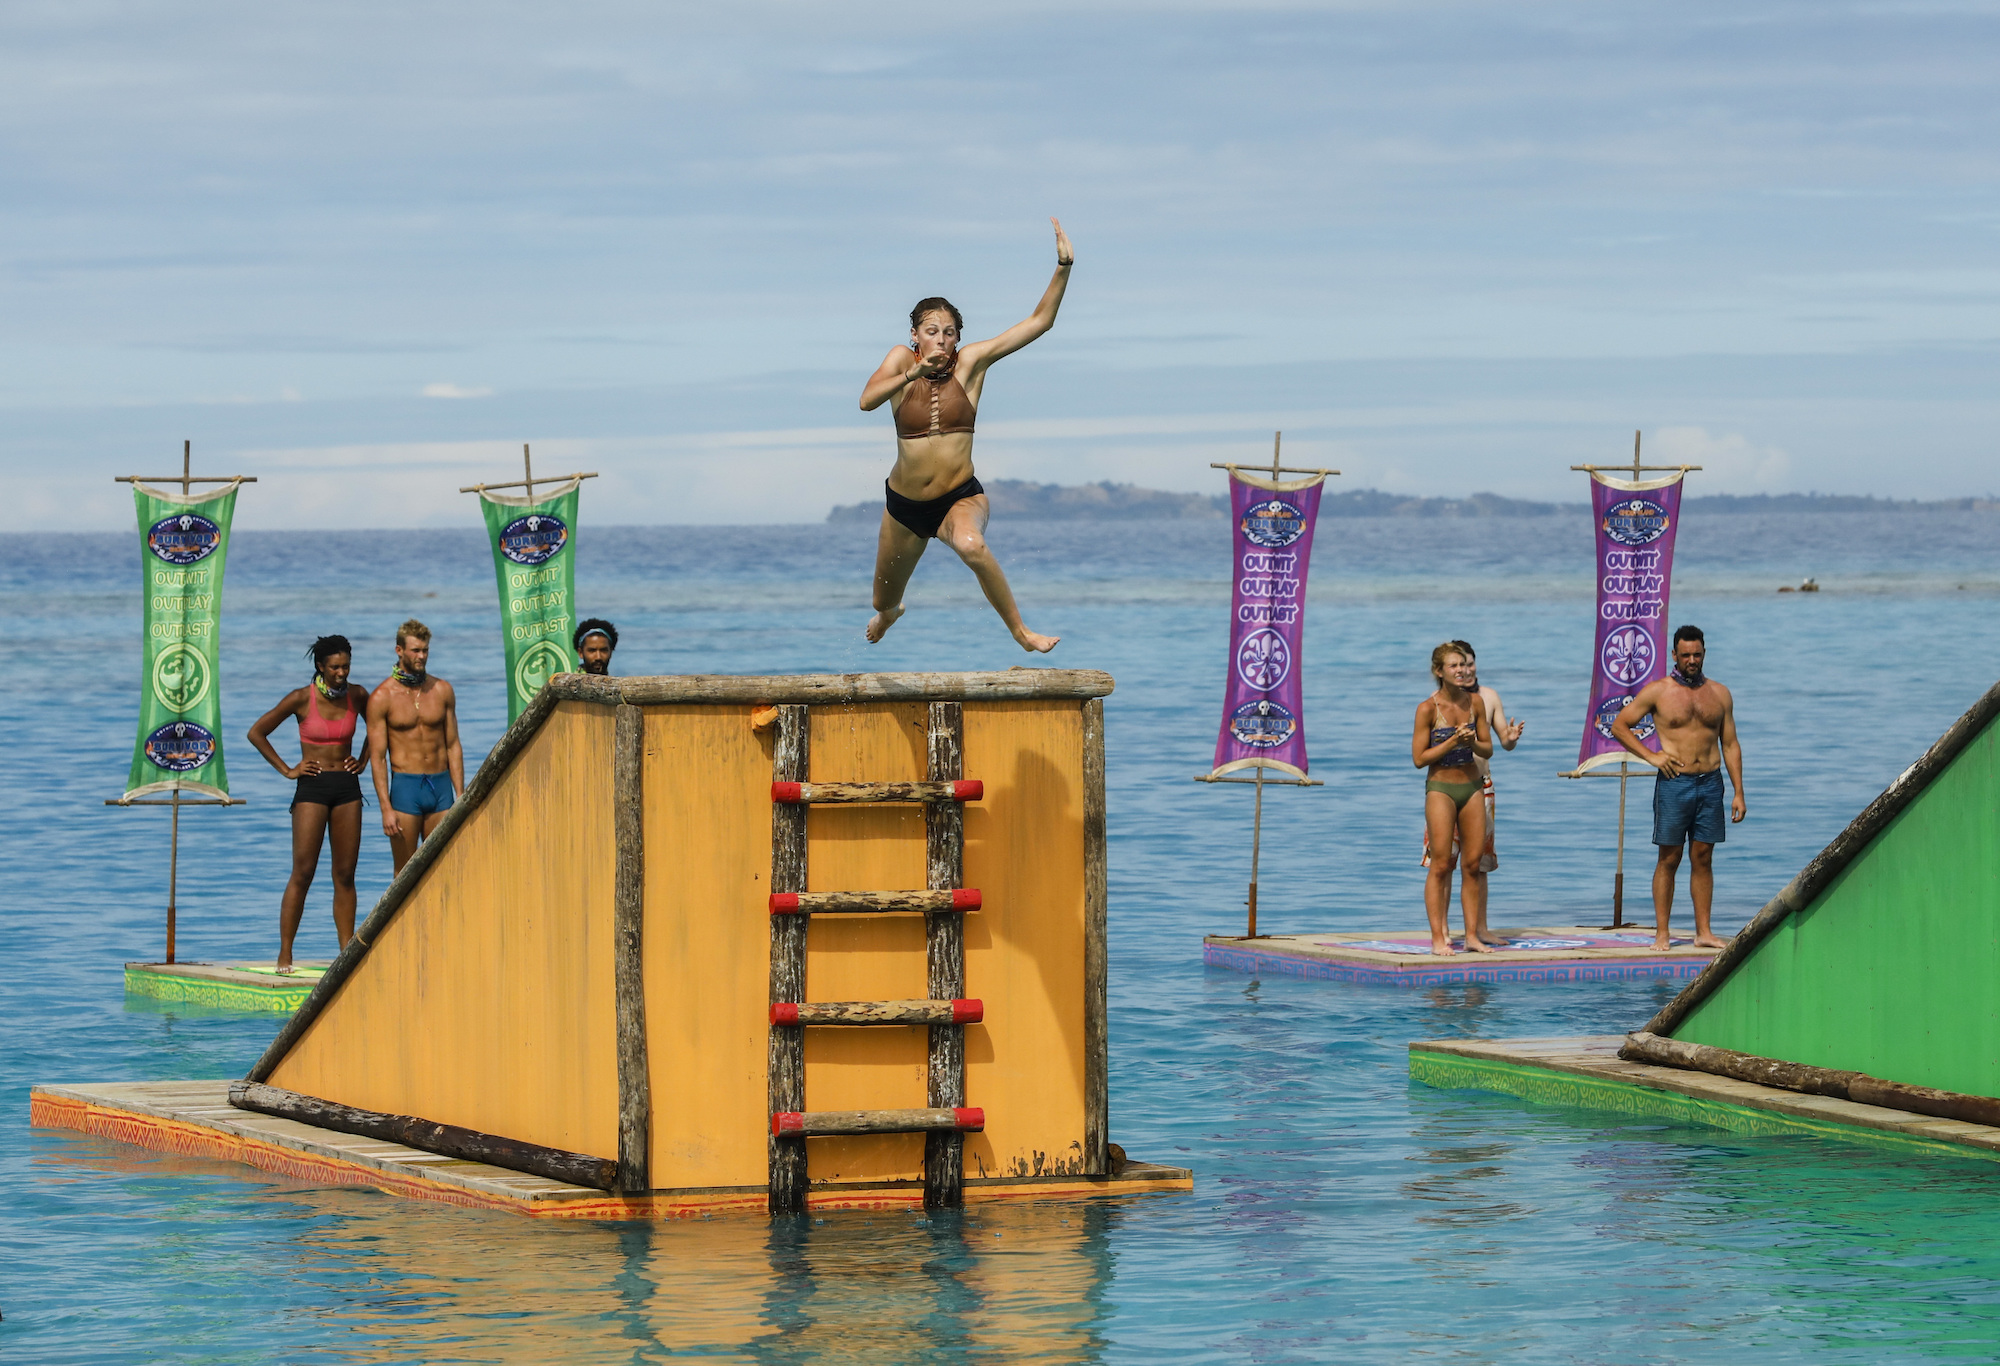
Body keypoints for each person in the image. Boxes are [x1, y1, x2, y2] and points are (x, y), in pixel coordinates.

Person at [857, 218, 1072, 653]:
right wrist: (912, 373)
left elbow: (1039, 322)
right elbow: (866, 401)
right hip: (904, 506)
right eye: (931, 332)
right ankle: (890, 613)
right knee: (882, 598)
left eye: (949, 333)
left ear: (958, 339)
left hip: (959, 497)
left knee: (972, 545)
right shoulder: (902, 360)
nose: (940, 340)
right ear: (915, 336)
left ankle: (1021, 632)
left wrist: (1064, 267)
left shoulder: (970, 365)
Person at [1610, 625, 1745, 950]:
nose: (1692, 660)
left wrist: (1739, 790)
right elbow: (1619, 725)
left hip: (1710, 783)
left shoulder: (1720, 694)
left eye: (1697, 654)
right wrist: (1652, 757)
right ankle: (1662, 933)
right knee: (1669, 857)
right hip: (1674, 783)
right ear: (1674, 655)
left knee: (1704, 856)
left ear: (1704, 653)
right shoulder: (1658, 691)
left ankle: (1704, 932)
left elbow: (1730, 744)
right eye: (1685, 655)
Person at [245, 635, 372, 973]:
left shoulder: (358, 695)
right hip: (312, 789)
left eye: (346, 666)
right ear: (320, 667)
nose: (341, 673)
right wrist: (288, 769)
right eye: (335, 667)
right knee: (303, 872)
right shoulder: (301, 698)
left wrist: (364, 759)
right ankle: (285, 953)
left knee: (345, 874)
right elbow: (257, 732)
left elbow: (379, 725)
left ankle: (345, 951)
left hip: (348, 789)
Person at [1413, 643, 1494, 955]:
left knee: (1472, 865)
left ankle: (1472, 936)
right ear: (1439, 672)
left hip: (1472, 786)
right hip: (1441, 790)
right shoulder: (1426, 708)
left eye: (1463, 664)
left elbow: (1488, 749)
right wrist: (1451, 742)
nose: (1461, 670)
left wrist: (1472, 741)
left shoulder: (1476, 703)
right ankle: (1437, 939)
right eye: (1453, 666)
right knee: (1441, 864)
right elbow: (1419, 759)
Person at [366, 619, 464, 875]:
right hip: (405, 790)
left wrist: (461, 794)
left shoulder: (442, 690)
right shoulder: (381, 697)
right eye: (415, 650)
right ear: (399, 650)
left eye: (425, 650)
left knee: (444, 869)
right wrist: (385, 808)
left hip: (441, 788)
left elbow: (453, 745)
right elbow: (377, 758)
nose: (421, 656)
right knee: (405, 873)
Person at [1422, 640, 1526, 876]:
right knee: (1443, 862)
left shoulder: (1488, 697)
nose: (1466, 670)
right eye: (1459, 665)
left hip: (1481, 785)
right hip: (1446, 785)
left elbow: (1503, 744)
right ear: (1445, 671)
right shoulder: (1436, 701)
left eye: (1470, 664)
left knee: (1478, 864)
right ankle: (1443, 914)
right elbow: (1425, 753)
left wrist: (1510, 738)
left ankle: (1479, 915)